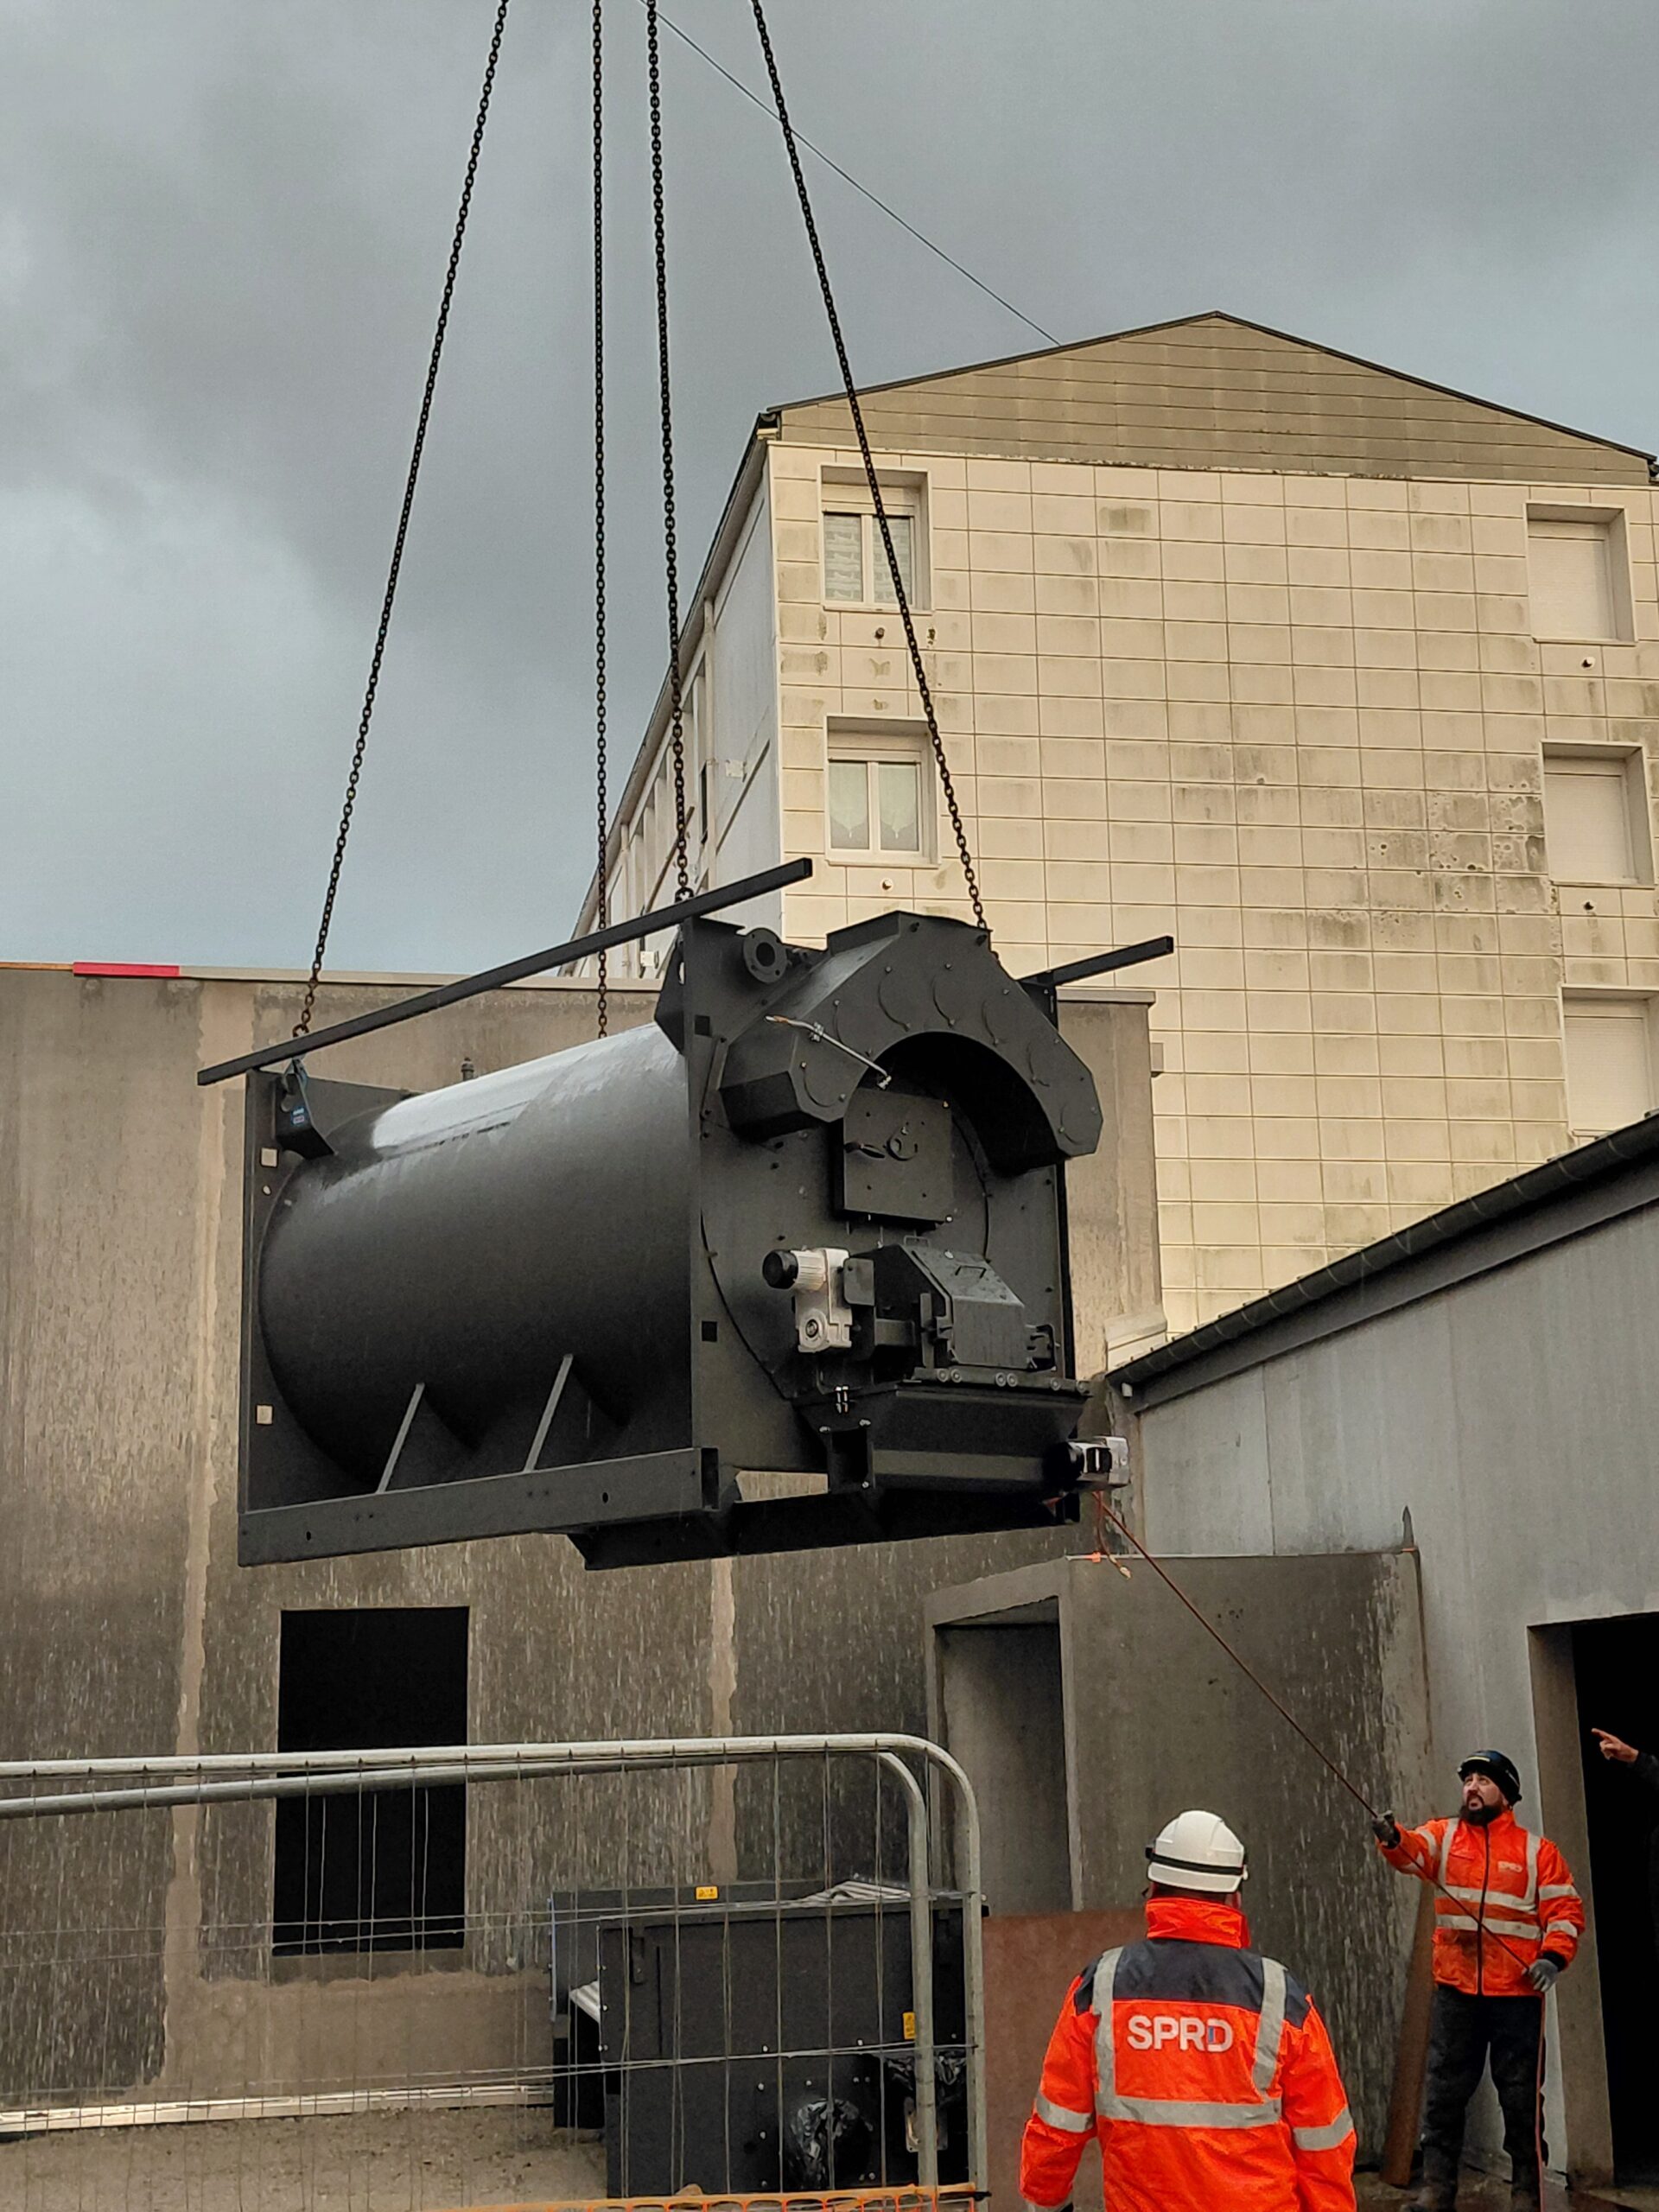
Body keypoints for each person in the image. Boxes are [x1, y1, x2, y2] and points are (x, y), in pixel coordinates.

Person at [1020, 1808, 1357, 2212]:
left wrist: (1047, 2203)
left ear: (1153, 1887)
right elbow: (1323, 2140)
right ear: (1234, 1896)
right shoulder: (1279, 1995)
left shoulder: (1102, 1987)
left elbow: (1058, 2123)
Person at [1374, 1749, 1584, 2212]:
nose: (1472, 1787)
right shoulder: (1444, 1836)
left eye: (1484, 1781)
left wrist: (1553, 1958)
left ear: (1506, 1795)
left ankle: (1527, 2193)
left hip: (1518, 1996)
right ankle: (1436, 2191)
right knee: (1444, 2095)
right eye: (1468, 1779)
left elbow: (1565, 1911)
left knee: (1521, 2100)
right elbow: (1412, 1852)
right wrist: (1392, 1838)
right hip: (1457, 1991)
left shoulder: (1538, 1853)